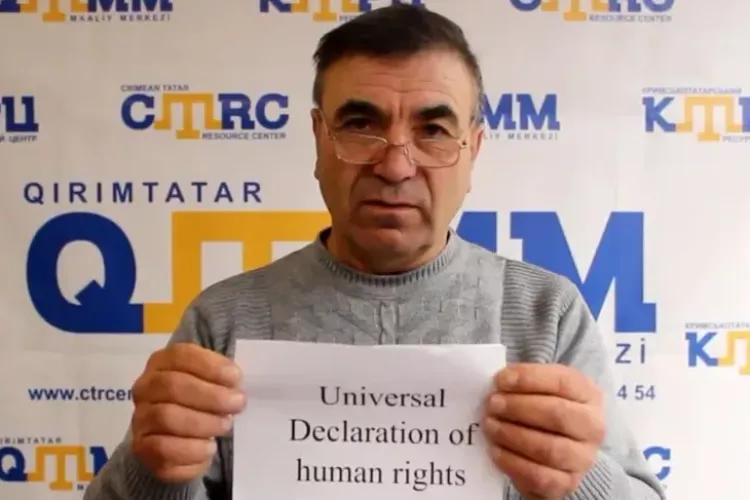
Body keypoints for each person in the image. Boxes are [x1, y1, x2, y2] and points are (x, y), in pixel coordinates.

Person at [84, 4, 666, 500]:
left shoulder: (547, 314)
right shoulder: (224, 319)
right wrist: (154, 471)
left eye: (433, 131)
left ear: (474, 150)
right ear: (319, 139)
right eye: (361, 124)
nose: (394, 166)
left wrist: (582, 478)